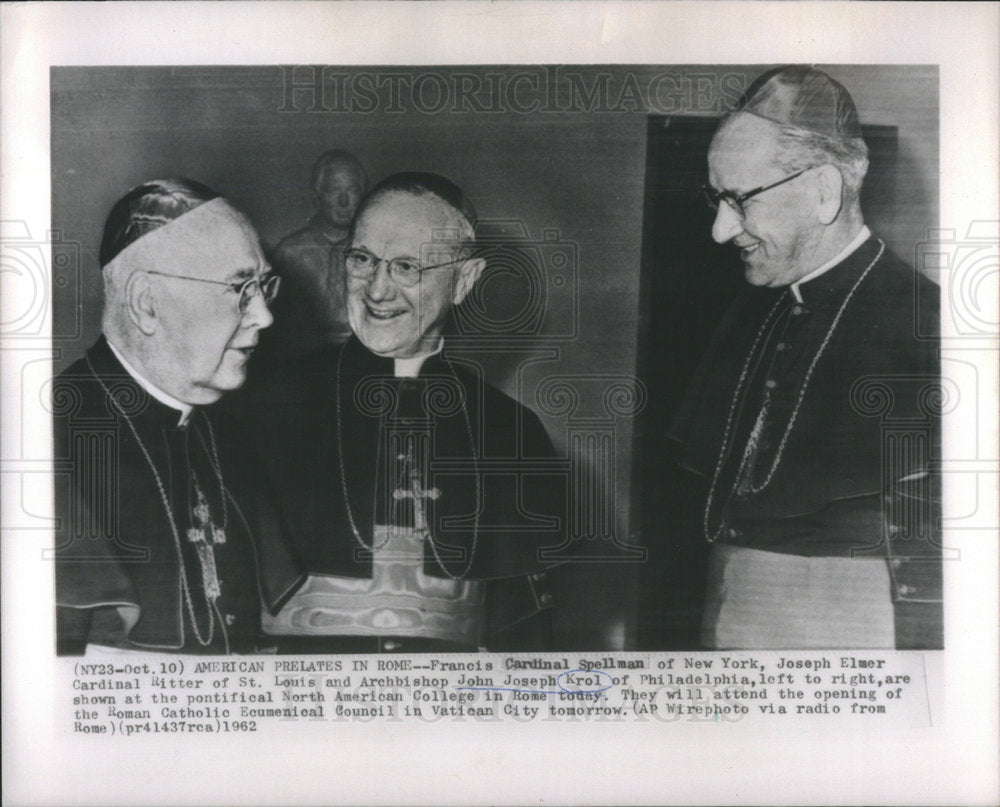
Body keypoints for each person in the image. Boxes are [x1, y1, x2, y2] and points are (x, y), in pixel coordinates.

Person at [668, 67, 941, 649]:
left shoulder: (931, 326)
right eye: (716, 199)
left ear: (824, 191)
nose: (720, 230)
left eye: (740, 201)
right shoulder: (749, 311)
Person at [246, 172, 563, 653]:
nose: (377, 290)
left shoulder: (510, 432)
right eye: (362, 259)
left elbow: (522, 630)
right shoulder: (266, 405)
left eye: (407, 267)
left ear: (464, 280)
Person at [54, 178, 303, 655]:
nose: (265, 316)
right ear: (146, 303)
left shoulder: (229, 436)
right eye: (239, 287)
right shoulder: (48, 438)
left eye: (263, 286)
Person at [263, 150, 368, 358]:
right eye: (333, 190)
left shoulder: (376, 251)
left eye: (352, 190)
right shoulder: (290, 252)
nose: (344, 201)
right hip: (302, 358)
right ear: (317, 196)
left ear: (363, 195)